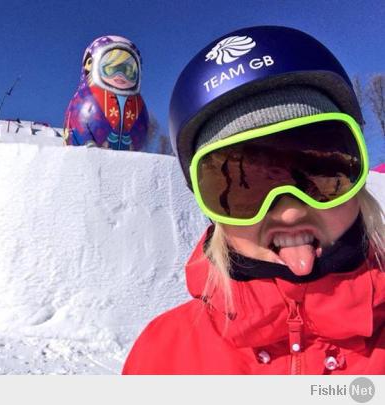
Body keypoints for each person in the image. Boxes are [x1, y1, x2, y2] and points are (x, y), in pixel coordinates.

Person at [122, 26, 384, 374]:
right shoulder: (161, 358)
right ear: (212, 212)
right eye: (246, 189)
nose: (290, 211)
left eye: (319, 172)